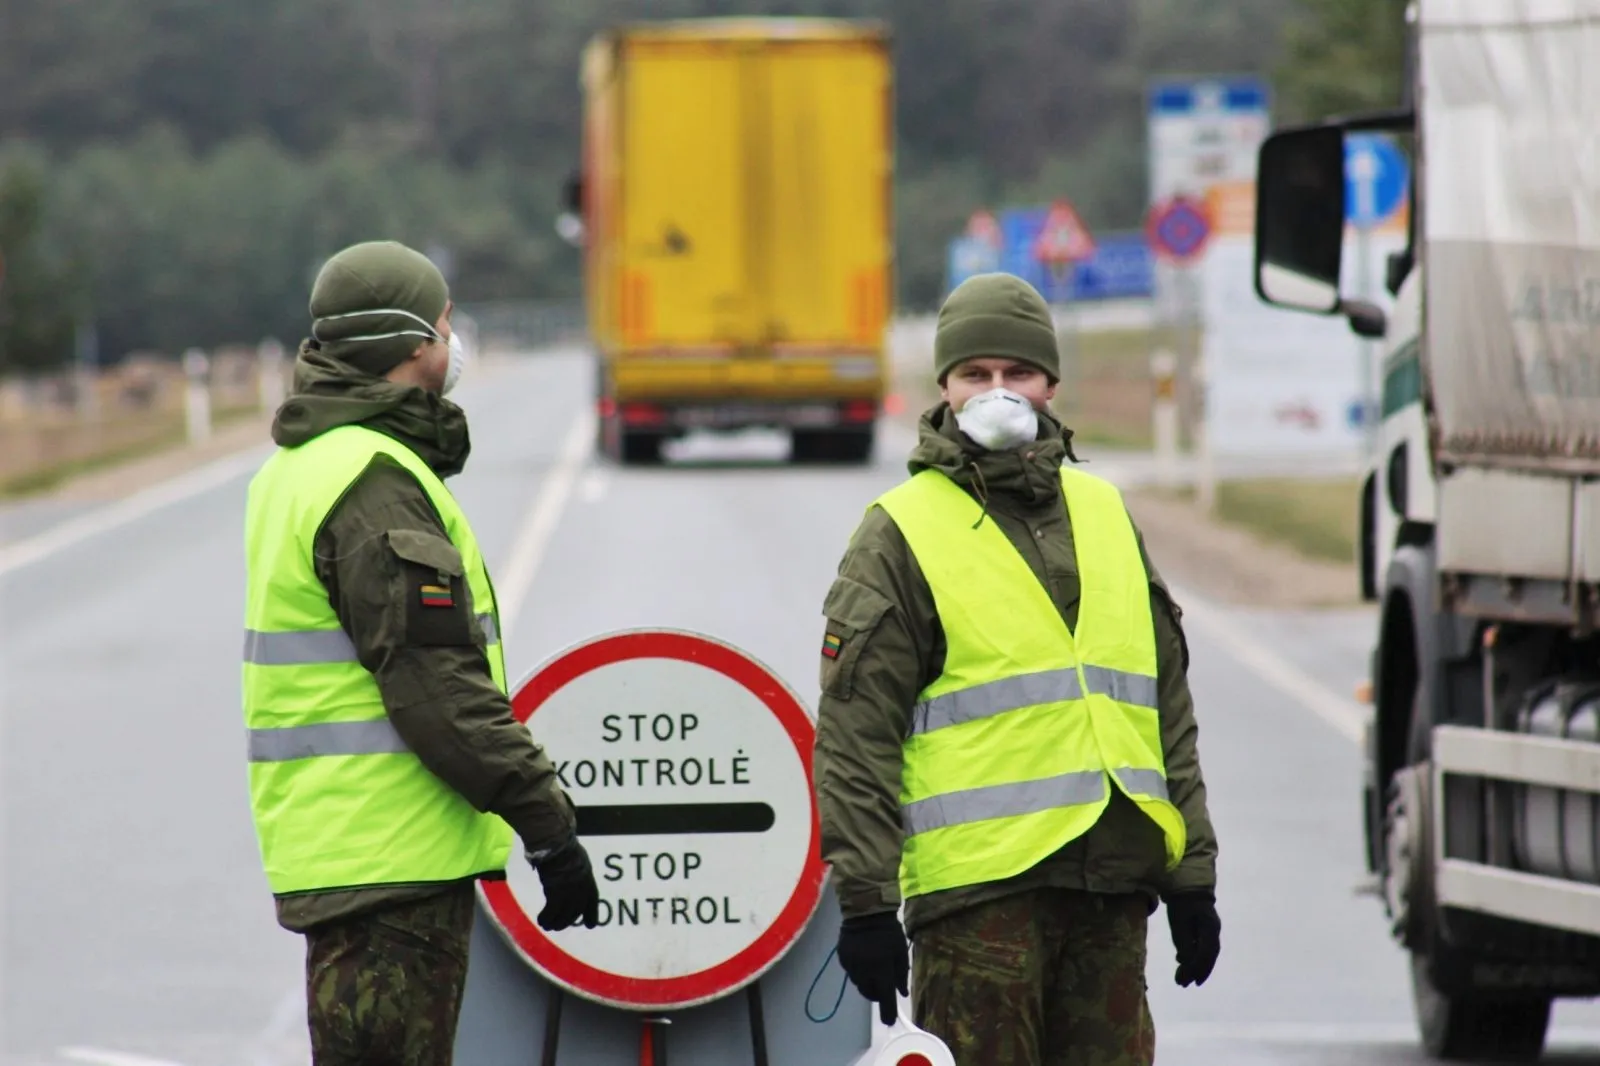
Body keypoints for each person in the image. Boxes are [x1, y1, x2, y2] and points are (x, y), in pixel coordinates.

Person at [813, 272, 1220, 1066]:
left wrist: (1192, 877)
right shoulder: (899, 534)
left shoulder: (1104, 513)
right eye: (975, 375)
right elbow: (856, 737)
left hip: (1109, 891)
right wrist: (865, 903)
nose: (997, 392)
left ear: (1051, 385)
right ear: (945, 386)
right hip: (977, 911)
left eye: (1016, 373)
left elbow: (1166, 709)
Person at [240, 240, 600, 1065]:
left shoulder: (302, 467)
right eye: (445, 323)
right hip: (391, 868)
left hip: (346, 853)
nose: (454, 340)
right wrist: (547, 825)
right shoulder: (372, 483)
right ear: (412, 343)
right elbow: (438, 689)